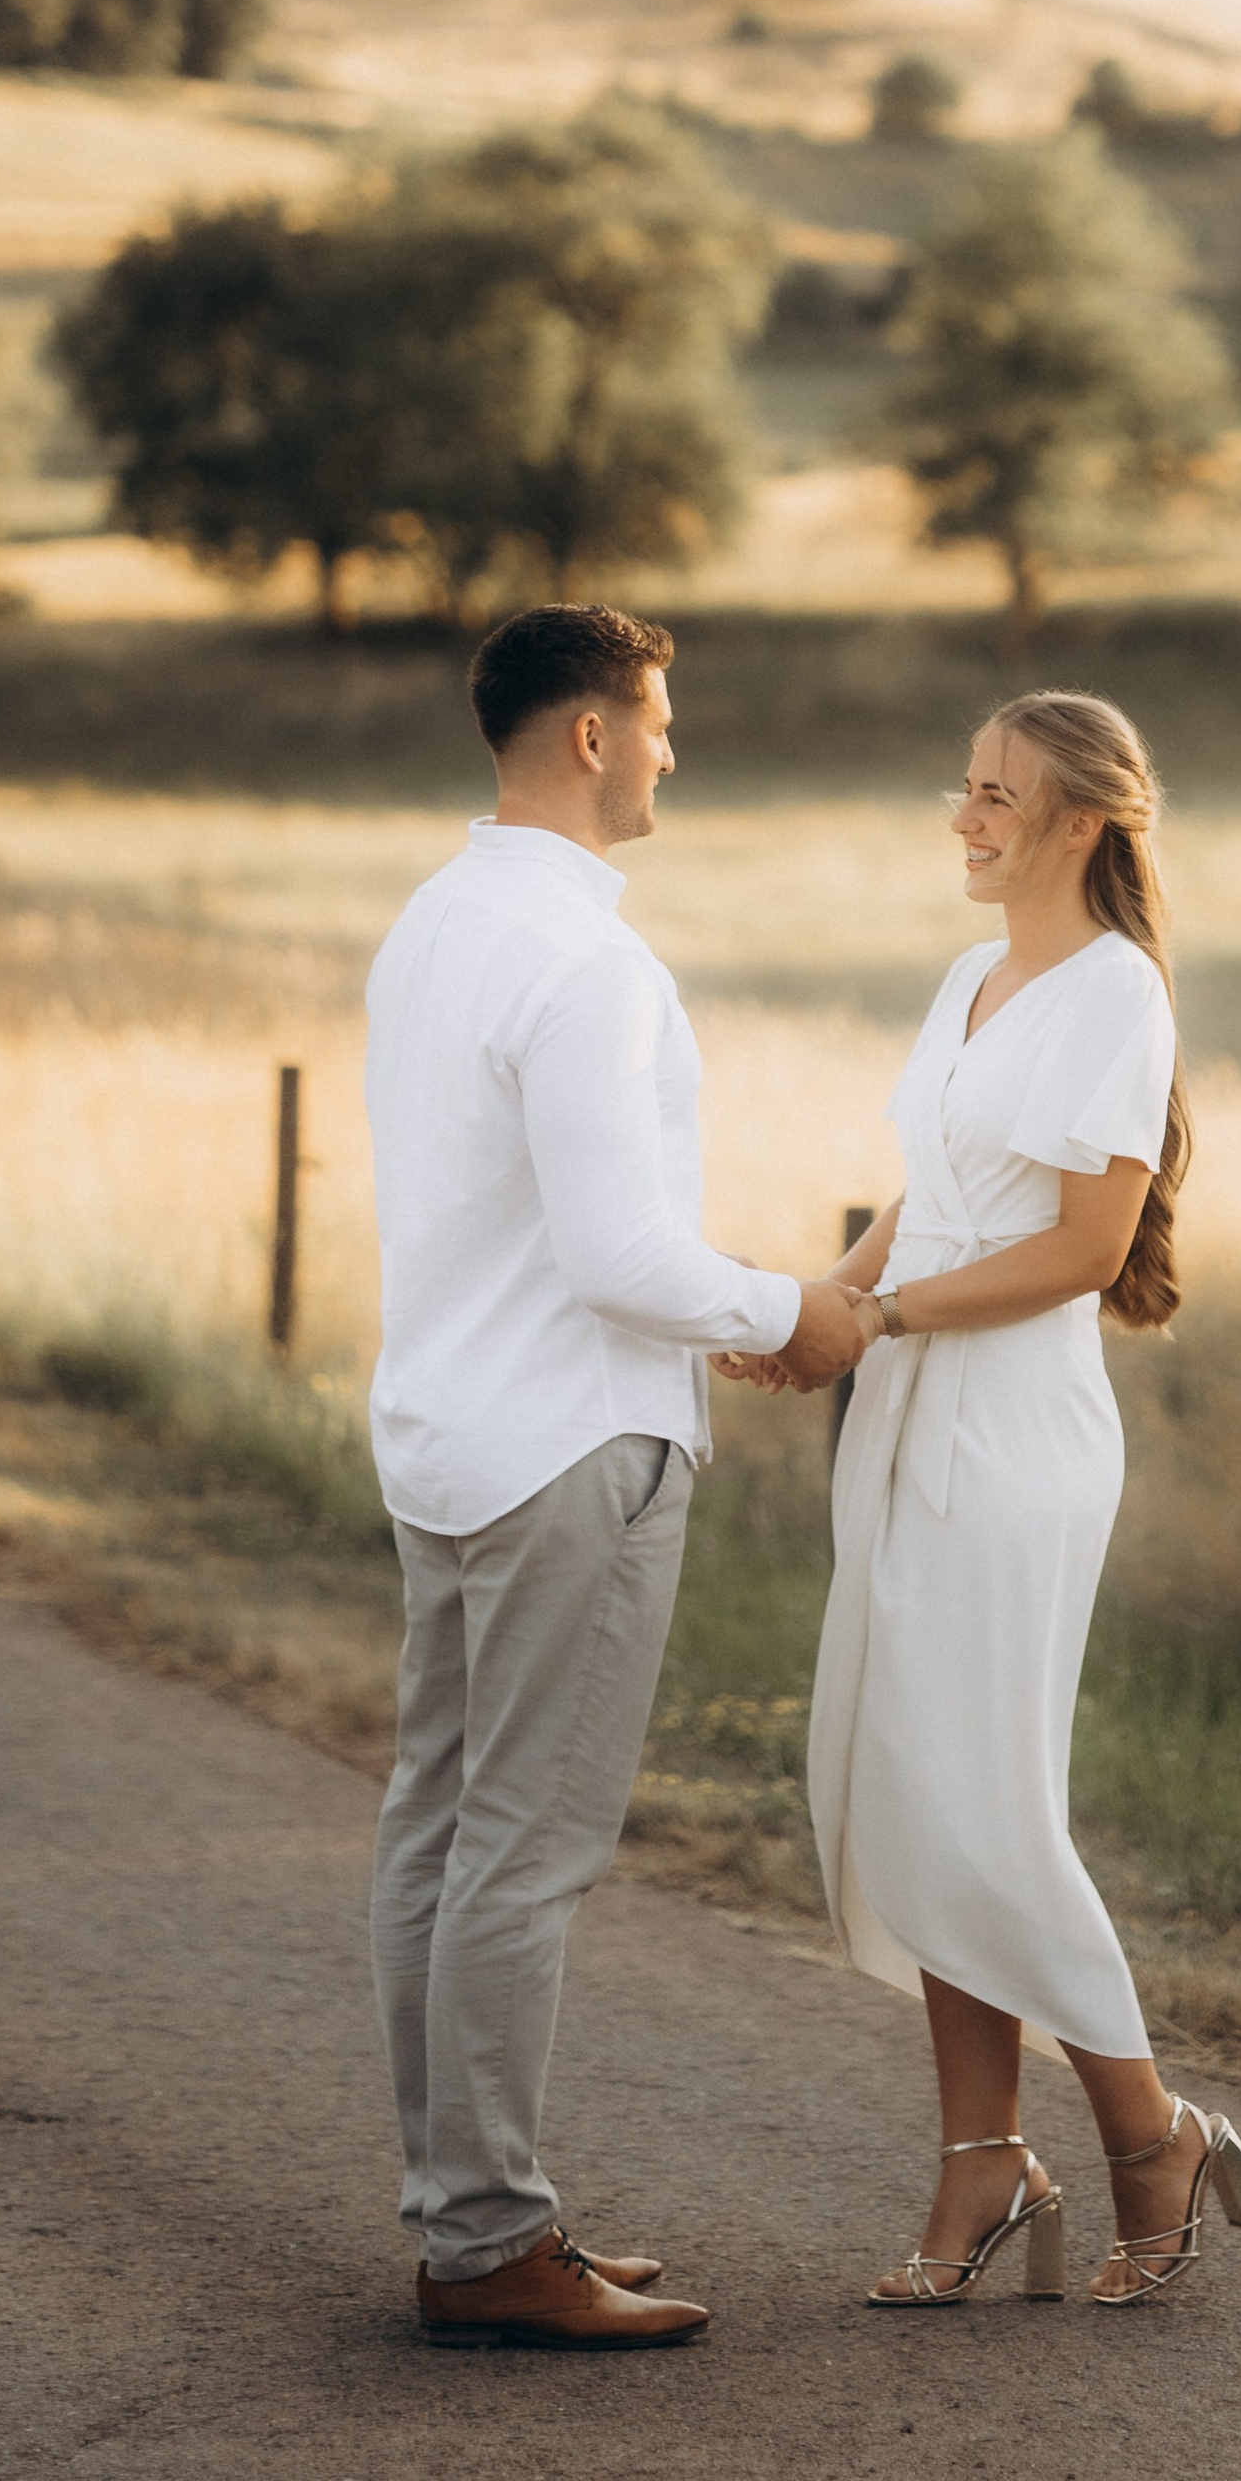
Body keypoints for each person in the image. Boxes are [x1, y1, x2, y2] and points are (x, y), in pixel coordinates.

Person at [363, 602, 864, 2349]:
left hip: (448, 1437)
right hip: (571, 1449)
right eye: (656, 719)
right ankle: (491, 2239)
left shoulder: (433, 922)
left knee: (437, 1830)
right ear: (588, 735)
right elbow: (614, 1257)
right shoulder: (585, 962)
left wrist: (704, 1309)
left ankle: (464, 2213)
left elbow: (524, 1221)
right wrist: (791, 1311)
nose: (670, 749)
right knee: (518, 1851)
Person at [741, 689, 1241, 2310]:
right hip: (910, 1413)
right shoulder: (972, 980)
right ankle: (984, 2159)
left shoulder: (1116, 994)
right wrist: (823, 1308)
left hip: (1016, 1435)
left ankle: (1147, 2132)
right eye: (963, 788)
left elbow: (1084, 1252)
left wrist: (882, 1319)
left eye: (996, 795)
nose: (964, 818)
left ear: (1082, 821)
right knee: (915, 1791)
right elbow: (937, 1194)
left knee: (986, 1804)